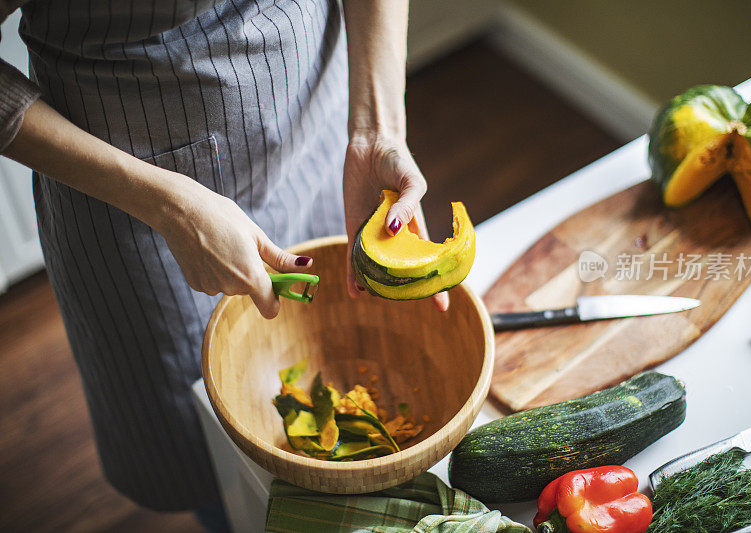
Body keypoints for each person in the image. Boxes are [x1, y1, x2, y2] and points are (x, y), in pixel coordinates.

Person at [0, 0, 447, 529]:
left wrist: (378, 131)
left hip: (320, 131)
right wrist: (167, 206)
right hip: (132, 197)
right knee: (216, 458)